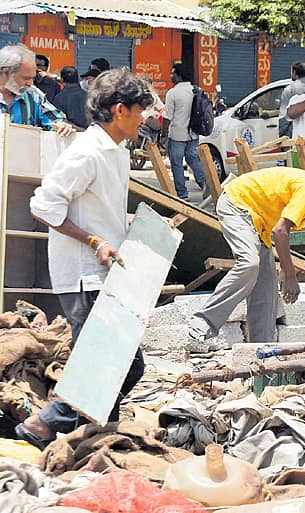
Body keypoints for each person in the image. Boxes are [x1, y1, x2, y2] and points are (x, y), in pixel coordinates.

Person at [21, 69, 154, 448]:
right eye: (139, 110)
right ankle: (51, 424)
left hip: (106, 273)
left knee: (117, 366)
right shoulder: (86, 151)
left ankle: (86, 438)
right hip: (84, 275)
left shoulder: (117, 151)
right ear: (118, 110)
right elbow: (43, 207)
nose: (143, 117)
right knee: (118, 365)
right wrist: (94, 240)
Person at [188, 159, 305, 343]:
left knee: (265, 288)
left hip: (258, 221)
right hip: (236, 206)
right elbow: (280, 231)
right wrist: (290, 274)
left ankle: (261, 349)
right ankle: (203, 321)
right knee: (249, 264)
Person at [0, 45, 73, 136]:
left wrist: (63, 126)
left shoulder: (33, 95)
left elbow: (55, 120)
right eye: (26, 78)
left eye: (32, 78)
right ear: (6, 72)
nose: (30, 83)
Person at [162, 63, 206, 200]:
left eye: (172, 73)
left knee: (176, 163)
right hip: (193, 133)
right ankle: (206, 184)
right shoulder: (196, 90)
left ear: (179, 75)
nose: (171, 76)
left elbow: (167, 116)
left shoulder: (173, 93)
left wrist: (163, 135)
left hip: (177, 135)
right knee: (193, 159)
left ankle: (182, 194)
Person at [279, 61, 305, 137]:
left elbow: (284, 116)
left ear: (294, 72)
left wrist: (281, 135)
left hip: (294, 132)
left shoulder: (290, 89)